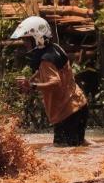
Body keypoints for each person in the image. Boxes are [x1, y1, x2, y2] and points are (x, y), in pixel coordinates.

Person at [11, 16, 88, 147]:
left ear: (37, 38)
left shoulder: (46, 60)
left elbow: (55, 83)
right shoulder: (55, 49)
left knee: (63, 151)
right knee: (79, 147)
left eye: (27, 39)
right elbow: (52, 72)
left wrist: (32, 85)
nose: (25, 43)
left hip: (67, 112)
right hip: (78, 106)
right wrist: (31, 81)